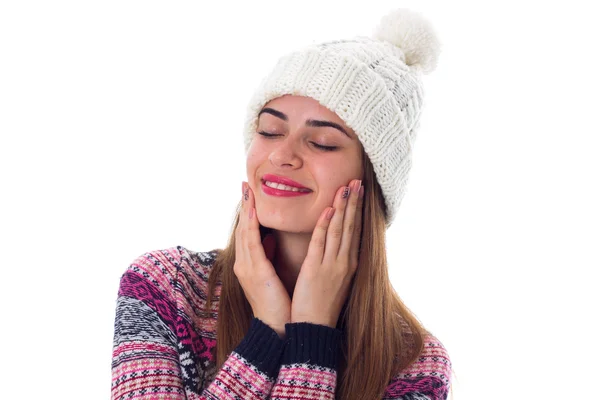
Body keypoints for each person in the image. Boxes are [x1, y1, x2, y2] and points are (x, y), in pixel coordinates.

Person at [111, 7, 452, 400]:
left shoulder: (414, 364)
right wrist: (267, 333)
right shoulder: (165, 286)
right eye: (270, 131)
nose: (281, 156)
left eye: (322, 142)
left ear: (371, 181)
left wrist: (312, 337)